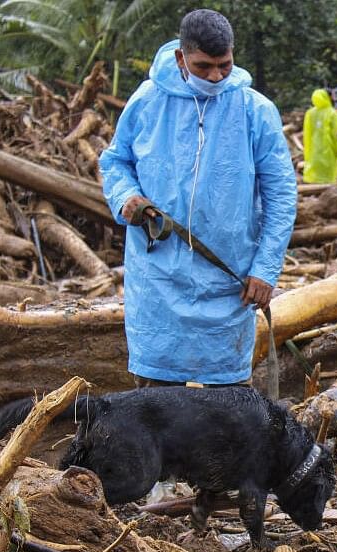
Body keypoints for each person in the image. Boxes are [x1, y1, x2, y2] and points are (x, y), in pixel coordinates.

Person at [99, 9, 297, 389]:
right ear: (180, 58)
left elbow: (281, 194)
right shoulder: (147, 102)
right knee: (156, 404)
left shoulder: (255, 110)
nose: (216, 76)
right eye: (203, 66)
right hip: (158, 276)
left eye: (225, 65)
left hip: (230, 277)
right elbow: (115, 160)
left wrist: (266, 267)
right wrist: (125, 195)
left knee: (230, 407)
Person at [302, 88, 337, 184]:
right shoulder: (333, 114)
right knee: (328, 182)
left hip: (313, 154)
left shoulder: (310, 113)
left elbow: (307, 134)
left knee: (315, 181)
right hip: (329, 154)